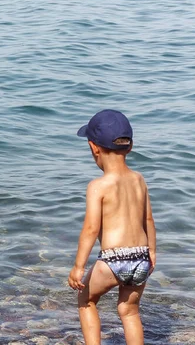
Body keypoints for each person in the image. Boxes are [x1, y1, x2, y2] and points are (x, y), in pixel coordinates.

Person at [68, 109, 156, 345]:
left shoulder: (98, 186)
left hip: (113, 260)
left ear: (93, 148)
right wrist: (152, 253)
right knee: (129, 311)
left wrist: (78, 267)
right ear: (130, 146)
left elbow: (90, 229)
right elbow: (148, 220)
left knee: (86, 300)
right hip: (141, 257)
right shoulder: (139, 180)